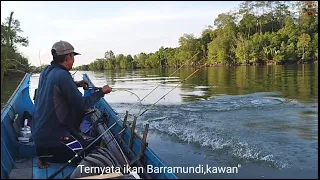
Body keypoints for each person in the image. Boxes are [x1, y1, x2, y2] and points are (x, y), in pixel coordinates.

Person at [31, 40, 112, 169]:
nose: (73, 60)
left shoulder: (46, 72)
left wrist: (76, 84)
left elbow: (54, 87)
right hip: (53, 145)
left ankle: (42, 157)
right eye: (73, 56)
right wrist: (102, 92)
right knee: (92, 152)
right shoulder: (63, 75)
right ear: (68, 57)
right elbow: (83, 105)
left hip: (39, 145)